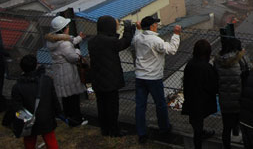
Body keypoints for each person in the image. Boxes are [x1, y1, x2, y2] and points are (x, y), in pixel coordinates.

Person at [132, 16, 181, 144]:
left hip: (140, 77)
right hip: (154, 78)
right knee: (160, 104)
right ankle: (164, 128)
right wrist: (176, 34)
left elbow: (136, 36)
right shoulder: (156, 40)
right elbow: (172, 49)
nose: (157, 26)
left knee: (140, 106)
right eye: (156, 24)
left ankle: (141, 133)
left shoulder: (137, 38)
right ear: (152, 26)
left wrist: (138, 29)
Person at [87, 15, 135, 137]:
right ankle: (114, 131)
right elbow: (125, 43)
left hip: (97, 80)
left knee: (101, 106)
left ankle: (105, 129)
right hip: (110, 81)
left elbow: (112, 42)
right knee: (112, 107)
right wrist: (128, 29)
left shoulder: (92, 41)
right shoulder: (111, 42)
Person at [7, 54, 62, 149]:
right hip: (46, 117)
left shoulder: (17, 87)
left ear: (22, 68)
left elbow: (16, 107)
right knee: (50, 139)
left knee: (29, 140)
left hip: (29, 120)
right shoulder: (46, 80)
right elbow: (54, 99)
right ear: (36, 65)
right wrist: (58, 113)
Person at [44, 15, 87, 127]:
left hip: (59, 71)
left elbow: (69, 41)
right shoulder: (64, 43)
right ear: (64, 29)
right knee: (73, 98)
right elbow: (73, 57)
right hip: (68, 71)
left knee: (66, 98)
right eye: (67, 27)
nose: (68, 28)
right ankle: (76, 120)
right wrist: (78, 51)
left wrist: (79, 38)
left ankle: (68, 117)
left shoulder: (53, 41)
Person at [214, 36, 253, 149]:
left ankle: (226, 147)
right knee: (244, 125)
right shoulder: (241, 59)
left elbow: (216, 77)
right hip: (239, 98)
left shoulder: (217, 60)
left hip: (224, 98)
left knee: (226, 127)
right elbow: (248, 73)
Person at [182, 39, 219, 149]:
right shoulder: (207, 67)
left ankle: (200, 134)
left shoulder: (190, 64)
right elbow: (214, 87)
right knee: (198, 126)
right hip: (202, 101)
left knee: (196, 122)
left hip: (191, 98)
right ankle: (198, 143)